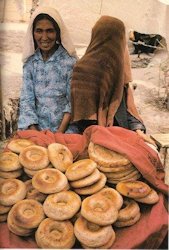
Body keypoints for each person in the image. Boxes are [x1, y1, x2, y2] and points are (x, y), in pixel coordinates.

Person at [71, 16, 155, 145]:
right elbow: (80, 120)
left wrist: (138, 130)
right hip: (90, 138)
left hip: (120, 135)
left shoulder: (118, 71)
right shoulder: (82, 71)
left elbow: (128, 110)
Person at [18, 6, 79, 133]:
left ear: (58, 33)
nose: (44, 37)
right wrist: (35, 133)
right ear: (33, 33)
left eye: (50, 31)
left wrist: (58, 134)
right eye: (39, 31)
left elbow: (72, 103)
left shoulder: (70, 63)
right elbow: (26, 100)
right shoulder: (30, 63)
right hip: (35, 129)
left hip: (65, 130)